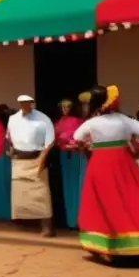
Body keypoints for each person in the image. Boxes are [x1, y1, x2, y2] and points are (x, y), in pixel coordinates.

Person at [73, 85, 139, 259]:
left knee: (101, 203)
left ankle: (102, 245)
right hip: (122, 163)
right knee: (132, 198)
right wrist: (138, 147)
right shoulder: (124, 120)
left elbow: (77, 137)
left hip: (99, 164)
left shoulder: (92, 122)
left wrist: (91, 142)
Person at [6, 94, 56, 237]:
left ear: (32, 103)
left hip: (36, 157)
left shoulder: (43, 119)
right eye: (22, 102)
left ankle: (47, 227)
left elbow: (50, 142)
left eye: (27, 102)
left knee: (41, 195)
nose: (25, 105)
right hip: (19, 159)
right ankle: (26, 224)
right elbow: (9, 137)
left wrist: (41, 160)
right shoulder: (13, 119)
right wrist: (10, 151)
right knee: (21, 194)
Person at [55, 98, 86, 229]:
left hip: (77, 156)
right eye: (63, 107)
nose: (65, 109)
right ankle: (71, 219)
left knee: (79, 186)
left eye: (68, 107)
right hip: (64, 157)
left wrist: (74, 145)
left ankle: (81, 219)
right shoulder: (57, 123)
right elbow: (55, 140)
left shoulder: (79, 122)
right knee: (68, 186)